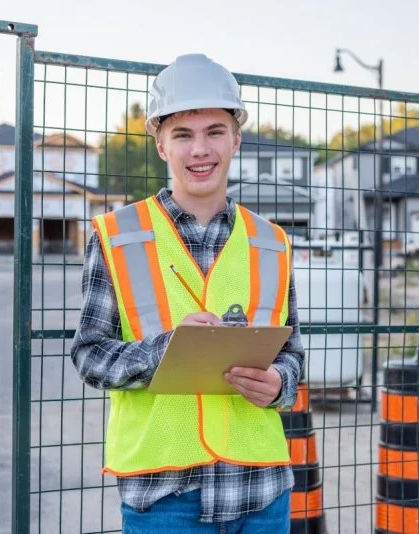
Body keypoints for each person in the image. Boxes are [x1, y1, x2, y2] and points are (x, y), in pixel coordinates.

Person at [70, 53, 305, 533]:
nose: (200, 149)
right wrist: (166, 351)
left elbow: (293, 353)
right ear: (161, 145)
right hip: (165, 498)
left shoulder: (271, 243)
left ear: (236, 138)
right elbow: (89, 355)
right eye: (183, 135)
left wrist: (280, 385)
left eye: (214, 131)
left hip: (261, 493)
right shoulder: (117, 235)